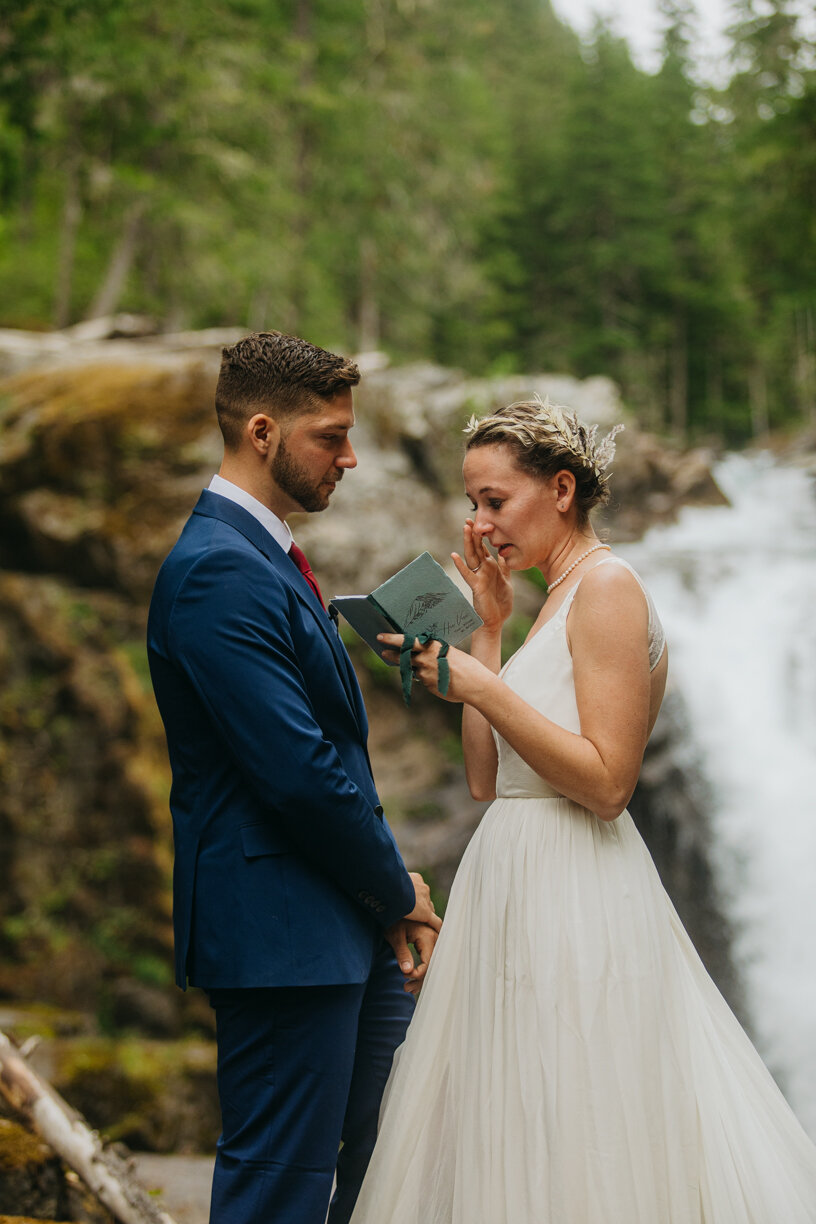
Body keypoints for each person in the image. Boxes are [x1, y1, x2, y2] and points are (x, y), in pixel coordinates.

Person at [350, 398, 816, 1223]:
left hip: (579, 897)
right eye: (472, 504)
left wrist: (484, 685)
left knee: (581, 1117)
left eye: (495, 500)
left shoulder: (607, 587)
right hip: (512, 892)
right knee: (512, 1123)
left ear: (561, 489)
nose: (480, 523)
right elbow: (488, 781)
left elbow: (608, 784)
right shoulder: (550, 603)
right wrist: (488, 636)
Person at [146, 330, 441, 1224]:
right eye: (331, 437)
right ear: (264, 431)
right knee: (276, 1191)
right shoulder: (216, 573)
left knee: (387, 1170)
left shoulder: (265, 556)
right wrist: (398, 893)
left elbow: (328, 756)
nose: (350, 459)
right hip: (279, 942)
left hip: (340, 928)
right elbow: (299, 775)